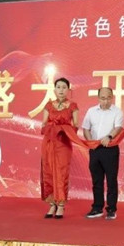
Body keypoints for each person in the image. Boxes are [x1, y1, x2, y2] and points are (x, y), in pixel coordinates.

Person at [82, 87, 124, 220]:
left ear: (112, 97)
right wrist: (90, 142)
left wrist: (109, 137)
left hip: (110, 149)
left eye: (108, 98)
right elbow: (86, 128)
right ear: (98, 98)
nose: (106, 101)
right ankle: (97, 207)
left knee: (111, 180)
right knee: (97, 180)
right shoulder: (91, 111)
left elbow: (118, 127)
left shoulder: (117, 111)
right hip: (95, 149)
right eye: (103, 98)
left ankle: (111, 209)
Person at [41, 77, 79, 219]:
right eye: (58, 87)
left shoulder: (73, 106)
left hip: (63, 142)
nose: (61, 90)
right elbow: (43, 124)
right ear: (54, 89)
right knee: (49, 171)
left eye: (64, 87)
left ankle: (61, 204)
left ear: (68, 90)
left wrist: (63, 128)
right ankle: (52, 203)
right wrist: (51, 127)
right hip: (49, 142)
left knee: (61, 172)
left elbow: (75, 125)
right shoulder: (49, 105)